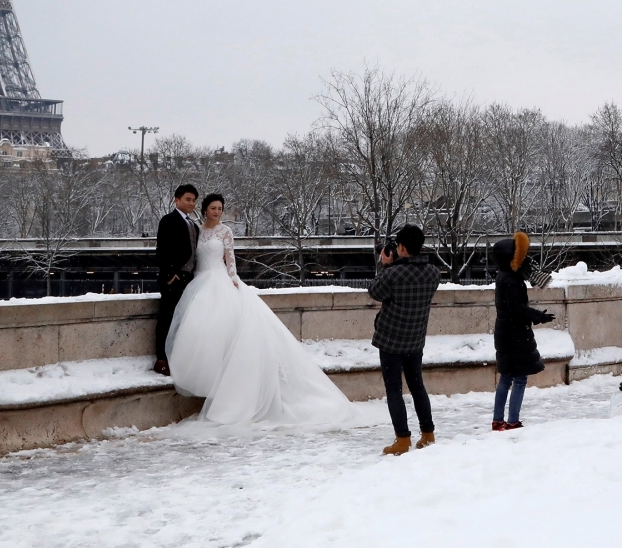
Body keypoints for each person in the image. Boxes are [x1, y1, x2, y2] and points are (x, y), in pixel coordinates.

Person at [166, 193, 363, 426]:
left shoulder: (225, 232)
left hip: (219, 282)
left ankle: (229, 392)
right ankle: (212, 386)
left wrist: (234, 282)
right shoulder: (196, 230)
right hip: (199, 283)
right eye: (213, 208)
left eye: (220, 208)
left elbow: (230, 262)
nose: (217, 212)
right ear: (205, 209)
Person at [367, 223, 440, 455]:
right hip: (415, 339)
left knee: (394, 390)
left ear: (400, 247)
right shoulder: (432, 273)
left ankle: (402, 439)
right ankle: (428, 433)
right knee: (417, 386)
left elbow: (375, 292)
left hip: (390, 340)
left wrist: (386, 266)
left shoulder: (393, 274)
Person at [490, 231, 553, 431]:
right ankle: (512, 421)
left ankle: (498, 420)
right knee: (518, 378)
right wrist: (538, 316)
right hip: (514, 334)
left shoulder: (504, 276)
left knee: (506, 377)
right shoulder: (511, 280)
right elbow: (516, 308)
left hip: (506, 332)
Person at [153, 183, 200, 376]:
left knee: (184, 321)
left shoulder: (193, 225)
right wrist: (171, 276)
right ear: (177, 200)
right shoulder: (168, 220)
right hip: (174, 278)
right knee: (167, 317)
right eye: (188, 199)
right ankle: (161, 358)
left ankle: (177, 357)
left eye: (194, 200)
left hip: (189, 278)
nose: (192, 203)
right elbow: (162, 250)